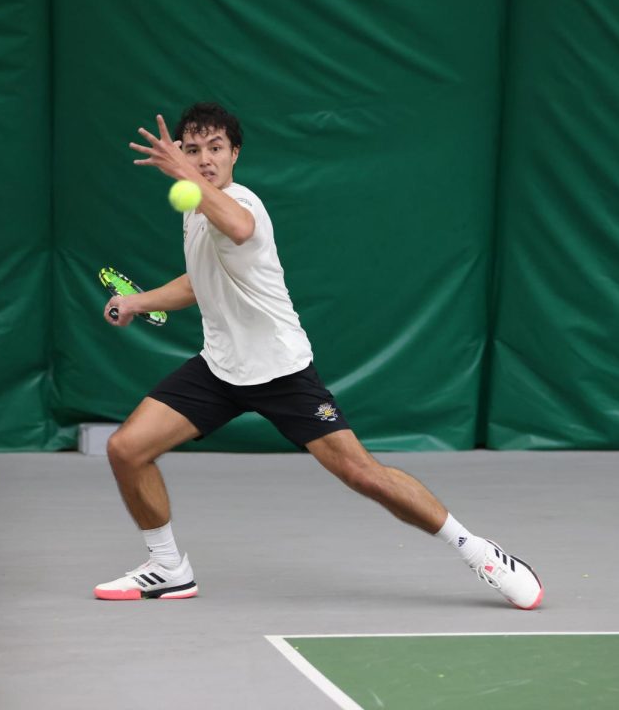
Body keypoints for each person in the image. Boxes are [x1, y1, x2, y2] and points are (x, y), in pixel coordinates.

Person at [94, 102, 542, 610]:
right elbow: (200, 282)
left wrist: (187, 180)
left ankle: (476, 550)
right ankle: (168, 569)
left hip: (280, 370)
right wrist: (137, 301)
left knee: (363, 474)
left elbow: (238, 229)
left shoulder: (242, 204)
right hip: (221, 367)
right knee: (127, 449)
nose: (204, 160)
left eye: (215, 148)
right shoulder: (197, 214)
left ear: (234, 153)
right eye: (192, 151)